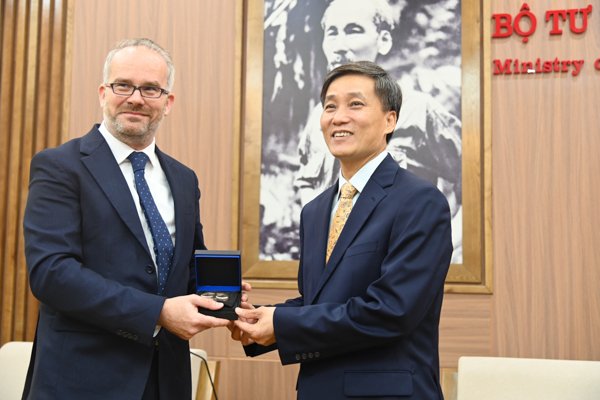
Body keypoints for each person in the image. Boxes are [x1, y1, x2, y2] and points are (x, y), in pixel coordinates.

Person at [22, 38, 235, 399]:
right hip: (82, 382)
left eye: (151, 89)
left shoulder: (184, 179)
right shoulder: (60, 167)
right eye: (123, 85)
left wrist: (222, 294)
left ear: (168, 102)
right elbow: (51, 274)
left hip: (166, 380)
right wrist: (158, 312)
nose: (136, 98)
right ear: (103, 93)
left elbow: (186, 269)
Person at [234, 61, 453, 399]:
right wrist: (259, 319)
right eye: (330, 106)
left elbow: (391, 311)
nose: (338, 117)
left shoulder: (421, 202)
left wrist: (281, 324)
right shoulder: (315, 211)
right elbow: (319, 302)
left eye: (355, 104)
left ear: (390, 120)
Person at [293, 0, 463, 262]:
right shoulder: (320, 120)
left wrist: (437, 251)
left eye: (353, 30)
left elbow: (473, 183)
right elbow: (307, 185)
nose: (339, 45)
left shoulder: (419, 110)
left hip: (395, 271)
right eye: (332, 33)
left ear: (383, 40)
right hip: (330, 274)